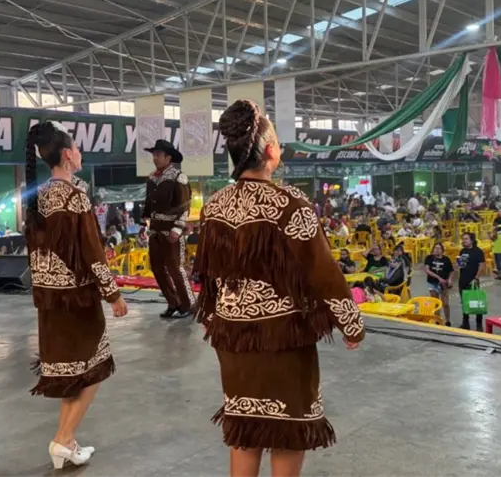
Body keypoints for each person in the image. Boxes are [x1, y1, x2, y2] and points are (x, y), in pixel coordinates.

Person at [193, 100, 364, 477]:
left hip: (233, 339)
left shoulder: (214, 206)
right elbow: (324, 273)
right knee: (288, 431)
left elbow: (207, 274)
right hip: (282, 340)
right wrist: (351, 325)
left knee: (245, 430)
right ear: (271, 151)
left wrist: (212, 316)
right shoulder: (292, 205)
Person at [24, 122, 128, 469]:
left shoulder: (38, 198)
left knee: (72, 372)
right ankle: (63, 439)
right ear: (68, 156)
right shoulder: (75, 197)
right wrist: (113, 294)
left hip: (49, 300)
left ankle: (67, 440)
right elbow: (92, 251)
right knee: (93, 370)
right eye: (78, 148)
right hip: (78, 299)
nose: (81, 153)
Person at [141, 139, 194, 319]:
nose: (155, 158)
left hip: (172, 231)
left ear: (168, 157)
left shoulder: (179, 177)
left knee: (175, 269)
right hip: (154, 230)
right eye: (154, 155)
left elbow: (185, 206)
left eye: (158, 155)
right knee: (156, 268)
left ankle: (188, 305)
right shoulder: (152, 178)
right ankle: (173, 303)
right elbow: (149, 203)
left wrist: (178, 229)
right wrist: (144, 223)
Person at [457, 233, 485, 331]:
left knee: (476, 302)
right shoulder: (462, 251)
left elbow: (482, 266)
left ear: (472, 240)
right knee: (464, 302)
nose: (463, 241)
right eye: (463, 239)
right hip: (462, 280)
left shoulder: (478, 252)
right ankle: (465, 323)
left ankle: (479, 324)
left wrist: (476, 278)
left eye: (466, 239)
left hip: (473, 281)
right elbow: (461, 265)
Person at [424, 243, 454, 326]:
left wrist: (450, 280)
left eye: (439, 248)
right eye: (435, 248)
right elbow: (427, 270)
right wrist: (438, 278)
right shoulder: (429, 258)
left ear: (442, 251)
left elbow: (451, 271)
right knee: (436, 302)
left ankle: (448, 320)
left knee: (445, 303)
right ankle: (438, 320)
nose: (437, 250)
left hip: (444, 284)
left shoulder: (446, 259)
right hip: (432, 283)